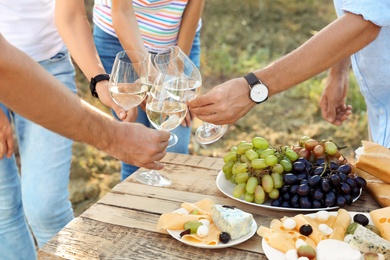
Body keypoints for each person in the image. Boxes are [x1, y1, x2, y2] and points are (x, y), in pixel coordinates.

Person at [0, 1, 166, 259]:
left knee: (46, 208)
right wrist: (114, 138)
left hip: (49, 66)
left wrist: (99, 80)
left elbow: (71, 16)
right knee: (3, 210)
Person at [188, 1, 390, 148]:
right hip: (380, 112)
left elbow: (366, 22)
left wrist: (255, 87)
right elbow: (359, 8)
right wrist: (339, 69)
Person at [92, 0, 205, 180]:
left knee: (173, 149)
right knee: (134, 145)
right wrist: (148, 76)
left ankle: (169, 206)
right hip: (117, 39)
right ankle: (131, 205)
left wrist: (175, 66)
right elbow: (122, 10)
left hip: (178, 36)